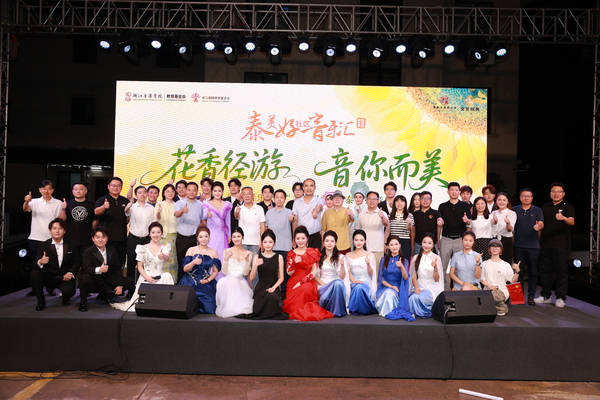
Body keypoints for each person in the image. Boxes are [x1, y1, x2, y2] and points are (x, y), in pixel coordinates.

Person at [111, 222, 175, 311]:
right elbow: (139, 266)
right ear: (149, 234)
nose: (156, 235)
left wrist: (163, 256)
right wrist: (147, 277)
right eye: (153, 232)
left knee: (167, 275)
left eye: (158, 232)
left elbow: (167, 257)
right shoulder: (142, 248)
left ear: (162, 234)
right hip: (146, 277)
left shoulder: (164, 247)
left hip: (159, 278)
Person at [535, 182, 575, 308]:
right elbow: (541, 224)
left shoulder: (567, 206)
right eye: (553, 191)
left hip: (560, 245)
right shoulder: (545, 206)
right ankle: (546, 295)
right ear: (550, 193)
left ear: (563, 194)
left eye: (559, 191)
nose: (556, 194)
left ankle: (561, 297)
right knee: (545, 271)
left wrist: (563, 218)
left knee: (561, 271)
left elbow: (572, 221)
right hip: (545, 243)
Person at [283, 226, 334, 321]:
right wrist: (295, 263)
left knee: (305, 288)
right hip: (293, 282)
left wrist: (301, 282)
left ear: (307, 239)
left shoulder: (312, 252)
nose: (300, 241)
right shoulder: (291, 253)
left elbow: (313, 273)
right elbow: (289, 272)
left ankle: (302, 313)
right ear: (294, 240)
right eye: (298, 238)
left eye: (303, 238)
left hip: (307, 280)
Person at [79, 226, 135, 312]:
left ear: (107, 238)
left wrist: (119, 285)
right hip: (94, 281)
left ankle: (104, 296)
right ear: (93, 239)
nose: (100, 240)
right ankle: (83, 303)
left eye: (103, 237)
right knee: (85, 279)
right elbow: (87, 268)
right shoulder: (88, 251)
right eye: (97, 237)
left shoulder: (112, 250)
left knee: (129, 282)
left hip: (108, 279)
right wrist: (99, 270)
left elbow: (117, 268)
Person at [236, 230, 288, 320]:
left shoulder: (279, 257)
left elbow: (281, 278)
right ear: (262, 243)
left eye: (270, 242)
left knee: (270, 297)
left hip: (273, 287)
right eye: (265, 242)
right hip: (260, 289)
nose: (268, 244)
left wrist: (273, 288)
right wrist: (255, 265)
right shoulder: (257, 257)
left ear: (274, 243)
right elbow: (252, 278)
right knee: (259, 306)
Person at [30, 218, 81, 310]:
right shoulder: (43, 246)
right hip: (48, 276)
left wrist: (70, 272)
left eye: (60, 228)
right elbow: (34, 265)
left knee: (69, 291)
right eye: (54, 228)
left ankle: (66, 297)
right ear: (50, 231)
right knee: (34, 274)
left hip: (64, 276)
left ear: (64, 231)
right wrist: (40, 262)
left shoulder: (72, 245)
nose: (57, 231)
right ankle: (41, 302)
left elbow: (77, 261)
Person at [178, 226, 221, 314]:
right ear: (197, 238)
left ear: (209, 237)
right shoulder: (191, 250)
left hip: (205, 282)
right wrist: (193, 262)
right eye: (201, 237)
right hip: (189, 281)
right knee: (184, 302)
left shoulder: (213, 252)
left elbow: (215, 271)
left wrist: (207, 280)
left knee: (210, 305)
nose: (204, 239)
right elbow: (185, 269)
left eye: (206, 236)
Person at [513, 188, 544, 306]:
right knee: (518, 272)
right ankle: (517, 297)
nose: (526, 198)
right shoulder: (514, 210)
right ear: (520, 197)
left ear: (532, 198)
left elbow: (541, 223)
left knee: (533, 273)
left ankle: (531, 296)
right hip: (518, 245)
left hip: (533, 246)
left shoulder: (537, 210)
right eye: (524, 196)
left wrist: (539, 227)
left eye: (529, 196)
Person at [23, 180, 62, 271]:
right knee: (35, 263)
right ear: (40, 190)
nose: (46, 191)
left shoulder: (58, 203)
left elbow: (61, 220)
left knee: (52, 264)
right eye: (44, 189)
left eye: (49, 189)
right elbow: (25, 209)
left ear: (53, 190)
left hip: (52, 238)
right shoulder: (34, 201)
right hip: (35, 237)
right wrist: (26, 201)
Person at [438, 182, 471, 291]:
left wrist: (467, 220)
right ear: (448, 192)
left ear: (459, 192)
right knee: (442, 266)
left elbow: (469, 222)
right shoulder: (442, 206)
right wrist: (438, 239)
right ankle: (442, 291)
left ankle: (456, 291)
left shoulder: (465, 205)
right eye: (451, 190)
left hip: (459, 239)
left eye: (456, 190)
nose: (454, 192)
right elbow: (440, 223)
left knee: (458, 268)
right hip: (446, 239)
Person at [215, 227, 254, 318]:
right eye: (234, 237)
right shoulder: (227, 251)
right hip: (228, 281)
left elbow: (245, 273)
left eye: (238, 236)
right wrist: (226, 259)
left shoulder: (248, 253)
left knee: (246, 309)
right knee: (233, 282)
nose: (236, 239)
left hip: (241, 281)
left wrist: (247, 260)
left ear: (243, 237)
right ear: (231, 238)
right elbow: (224, 271)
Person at [94, 177, 129, 271]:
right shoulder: (102, 200)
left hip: (121, 238)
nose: (116, 188)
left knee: (120, 264)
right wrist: (104, 207)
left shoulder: (125, 201)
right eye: (113, 185)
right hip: (106, 239)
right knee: (106, 264)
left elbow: (128, 218)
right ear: (108, 186)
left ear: (121, 187)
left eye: (118, 186)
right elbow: (96, 212)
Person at [265, 189, 294, 297]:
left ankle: (283, 294)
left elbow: (293, 222)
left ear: (285, 199)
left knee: (285, 272)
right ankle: (273, 292)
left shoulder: (289, 212)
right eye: (277, 197)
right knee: (272, 271)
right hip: (271, 247)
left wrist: (291, 219)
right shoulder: (269, 212)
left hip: (285, 246)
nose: (279, 199)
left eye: (281, 197)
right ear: (274, 198)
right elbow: (266, 228)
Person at [480, 239, 521, 316]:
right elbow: (482, 279)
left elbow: (513, 281)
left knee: (493, 296)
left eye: (497, 246)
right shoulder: (484, 263)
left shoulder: (506, 265)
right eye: (492, 246)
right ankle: (498, 307)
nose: (495, 248)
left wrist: (517, 271)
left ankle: (500, 307)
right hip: (488, 290)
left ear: (501, 249)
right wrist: (490, 286)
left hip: (501, 290)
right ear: (489, 249)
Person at [408, 233, 444, 318]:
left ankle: (422, 313)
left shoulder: (437, 258)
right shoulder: (416, 257)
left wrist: (435, 268)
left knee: (416, 298)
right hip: (420, 285)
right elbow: (414, 276)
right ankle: (416, 312)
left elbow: (436, 279)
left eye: (429, 243)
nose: (426, 245)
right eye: (424, 242)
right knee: (412, 298)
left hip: (431, 288)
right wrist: (416, 288)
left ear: (433, 245)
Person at [59, 182, 97, 260]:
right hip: (70, 238)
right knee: (71, 261)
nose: (78, 191)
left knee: (85, 261)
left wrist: (91, 231)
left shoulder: (92, 204)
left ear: (86, 191)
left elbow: (95, 221)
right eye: (76, 189)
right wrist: (63, 209)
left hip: (86, 239)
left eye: (81, 189)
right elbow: (62, 220)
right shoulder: (67, 204)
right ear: (72, 191)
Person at [174, 181, 204, 281]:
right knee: (181, 262)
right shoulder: (179, 203)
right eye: (189, 190)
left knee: (194, 263)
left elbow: (202, 221)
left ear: (197, 191)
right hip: (182, 238)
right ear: (186, 190)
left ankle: (192, 284)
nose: (191, 192)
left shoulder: (201, 205)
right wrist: (182, 211)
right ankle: (180, 285)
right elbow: (176, 214)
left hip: (194, 238)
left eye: (194, 190)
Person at [125, 186, 156, 279]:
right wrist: (127, 207)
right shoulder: (132, 207)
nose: (142, 194)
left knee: (145, 265)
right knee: (131, 264)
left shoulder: (151, 208)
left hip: (146, 240)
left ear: (147, 194)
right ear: (136, 195)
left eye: (144, 192)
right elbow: (126, 212)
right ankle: (130, 286)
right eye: (139, 192)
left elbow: (153, 224)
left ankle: (142, 285)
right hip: (133, 239)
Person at [314, 231, 348, 317]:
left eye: (332, 241)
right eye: (327, 241)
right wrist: (325, 285)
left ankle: (337, 312)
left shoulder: (340, 257)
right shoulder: (318, 256)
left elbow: (342, 277)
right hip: (323, 285)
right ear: (323, 242)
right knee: (334, 286)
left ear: (335, 243)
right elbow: (315, 275)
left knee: (338, 283)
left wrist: (342, 265)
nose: (329, 243)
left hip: (336, 284)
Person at [375, 235, 410, 317]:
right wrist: (390, 286)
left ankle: (387, 312)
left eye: (396, 244)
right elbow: (380, 277)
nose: (394, 247)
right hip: (385, 286)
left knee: (390, 293)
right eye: (391, 245)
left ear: (400, 245)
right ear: (387, 246)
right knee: (388, 291)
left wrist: (402, 267)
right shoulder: (383, 260)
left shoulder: (405, 261)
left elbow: (405, 278)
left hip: (398, 287)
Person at [345, 229, 378, 315]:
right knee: (357, 287)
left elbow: (371, 274)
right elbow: (348, 272)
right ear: (353, 241)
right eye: (356, 240)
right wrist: (355, 281)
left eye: (361, 240)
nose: (358, 242)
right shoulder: (348, 255)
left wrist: (368, 264)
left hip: (365, 283)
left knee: (359, 287)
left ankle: (360, 309)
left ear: (365, 241)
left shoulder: (370, 255)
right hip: (353, 282)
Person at [356, 191, 389, 266]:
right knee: (364, 269)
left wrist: (382, 216)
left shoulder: (382, 213)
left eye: (374, 199)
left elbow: (386, 224)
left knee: (377, 270)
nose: (372, 201)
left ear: (378, 201)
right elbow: (358, 230)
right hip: (363, 248)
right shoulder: (362, 214)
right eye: (369, 199)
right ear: (366, 200)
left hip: (378, 248)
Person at [202, 181, 232, 261]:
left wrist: (229, 235)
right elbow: (202, 216)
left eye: (219, 191)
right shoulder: (207, 203)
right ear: (212, 192)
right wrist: (207, 215)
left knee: (222, 255)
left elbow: (228, 221)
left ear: (222, 192)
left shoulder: (226, 204)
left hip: (222, 234)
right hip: (211, 234)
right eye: (215, 191)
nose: (217, 193)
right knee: (211, 255)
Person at [292, 178, 325, 249]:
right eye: (306, 186)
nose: (309, 188)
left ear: (315, 187)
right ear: (303, 188)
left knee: (315, 256)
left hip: (315, 236)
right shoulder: (297, 202)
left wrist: (315, 212)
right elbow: (295, 220)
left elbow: (319, 206)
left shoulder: (320, 200)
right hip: (300, 237)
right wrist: (294, 237)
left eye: (311, 185)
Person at [234, 186, 266, 261]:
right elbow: (236, 216)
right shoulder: (239, 208)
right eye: (244, 194)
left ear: (253, 195)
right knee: (243, 264)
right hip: (242, 242)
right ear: (242, 196)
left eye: (249, 194)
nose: (247, 196)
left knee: (254, 264)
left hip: (256, 242)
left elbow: (262, 226)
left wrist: (262, 241)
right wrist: (237, 212)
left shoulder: (259, 208)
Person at [155, 184, 178, 282]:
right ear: (163, 193)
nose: (170, 193)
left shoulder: (177, 205)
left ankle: (172, 281)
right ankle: (161, 281)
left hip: (173, 236)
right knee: (162, 259)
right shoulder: (159, 204)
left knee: (172, 260)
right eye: (167, 191)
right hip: (162, 237)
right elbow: (156, 219)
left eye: (172, 191)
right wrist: (158, 212)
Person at [411, 191, 443, 255]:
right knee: (418, 261)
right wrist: (412, 245)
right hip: (418, 244)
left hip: (432, 245)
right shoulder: (414, 214)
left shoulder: (436, 213)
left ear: (431, 201)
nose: (425, 200)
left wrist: (438, 241)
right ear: (420, 200)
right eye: (423, 198)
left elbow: (440, 224)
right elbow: (413, 231)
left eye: (427, 198)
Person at [491, 192, 517, 264]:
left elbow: (510, 229)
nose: (501, 202)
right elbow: (492, 225)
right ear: (496, 201)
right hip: (494, 240)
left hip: (505, 240)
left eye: (504, 200)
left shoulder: (512, 213)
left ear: (508, 202)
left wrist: (507, 223)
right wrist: (495, 221)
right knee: (494, 262)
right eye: (499, 200)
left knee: (506, 263)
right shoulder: (494, 213)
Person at [388, 194, 413, 259]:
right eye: (397, 201)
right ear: (394, 203)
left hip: (405, 241)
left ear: (405, 204)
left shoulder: (409, 215)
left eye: (402, 201)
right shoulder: (390, 215)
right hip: (393, 241)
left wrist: (409, 223)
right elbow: (388, 230)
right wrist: (386, 243)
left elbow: (409, 229)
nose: (399, 203)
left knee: (404, 261)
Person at [469, 196, 494, 260]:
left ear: (486, 205)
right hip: (476, 243)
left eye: (482, 204)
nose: (480, 206)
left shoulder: (490, 217)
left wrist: (495, 220)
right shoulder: (472, 219)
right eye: (478, 204)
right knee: (477, 262)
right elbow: (469, 233)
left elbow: (495, 223)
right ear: (475, 206)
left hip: (487, 242)